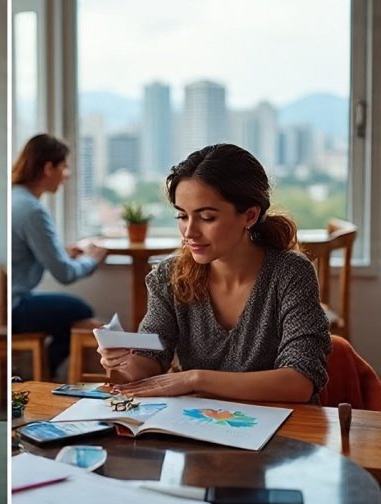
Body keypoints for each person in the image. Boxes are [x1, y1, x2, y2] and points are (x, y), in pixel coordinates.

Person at [99, 143, 330, 402]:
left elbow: (299, 382)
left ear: (250, 216)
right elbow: (151, 359)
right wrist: (124, 360)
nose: (189, 232)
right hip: (199, 422)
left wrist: (195, 379)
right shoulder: (169, 277)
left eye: (207, 217)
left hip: (284, 423)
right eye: (182, 216)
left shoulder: (290, 273)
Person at [10, 134, 107, 376]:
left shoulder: (16, 198)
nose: (67, 174)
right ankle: (44, 372)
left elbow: (25, 252)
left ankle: (43, 371)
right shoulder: (33, 211)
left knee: (67, 313)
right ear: (48, 168)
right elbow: (63, 274)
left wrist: (61, 251)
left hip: (13, 300)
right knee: (79, 310)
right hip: (16, 306)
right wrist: (92, 260)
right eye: (64, 167)